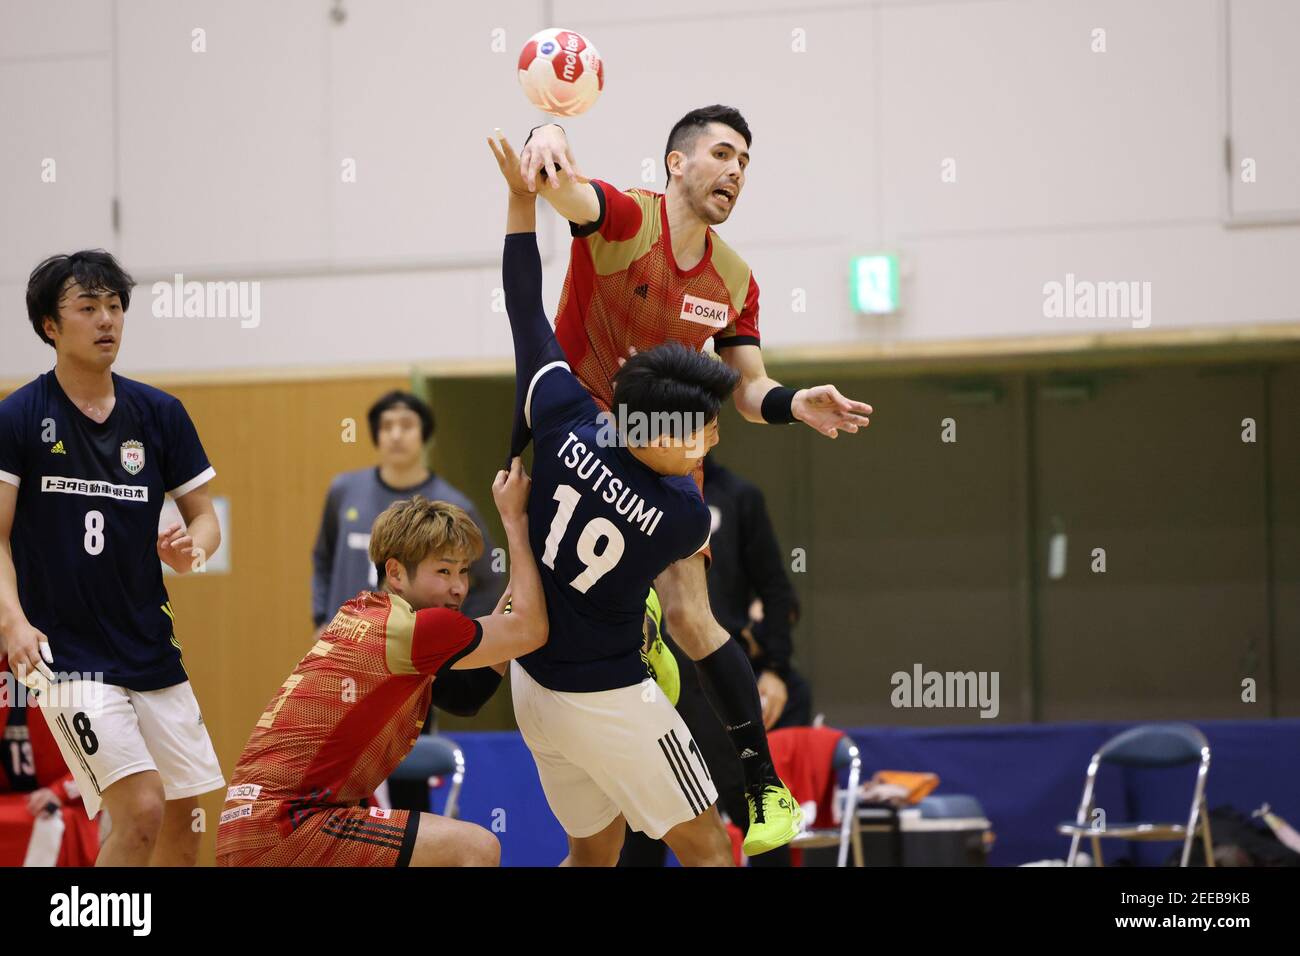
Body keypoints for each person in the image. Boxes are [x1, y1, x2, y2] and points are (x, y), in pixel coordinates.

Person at [517, 106, 871, 851]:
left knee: (693, 614)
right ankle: (616, 658)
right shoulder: (622, 218)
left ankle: (766, 790)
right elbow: (564, 190)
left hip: (663, 443)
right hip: (581, 421)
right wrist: (543, 139)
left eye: (746, 160)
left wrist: (792, 403)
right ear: (676, 163)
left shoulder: (735, 278)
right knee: (545, 593)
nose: (737, 170)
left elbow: (748, 386)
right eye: (722, 153)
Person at [489, 131, 738, 867]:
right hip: (608, 696)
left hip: (533, 690)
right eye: (699, 431)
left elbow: (523, 303)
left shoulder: (563, 410)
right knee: (711, 852)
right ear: (654, 425)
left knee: (591, 859)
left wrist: (517, 196)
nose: (708, 446)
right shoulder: (683, 515)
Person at [0, 250, 225, 866]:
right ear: (50, 324)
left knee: (189, 815)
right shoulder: (20, 416)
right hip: (65, 655)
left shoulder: (159, 414)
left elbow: (205, 520)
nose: (107, 320)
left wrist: (192, 552)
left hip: (150, 645)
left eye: (116, 306)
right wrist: (13, 623)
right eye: (88, 307)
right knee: (141, 809)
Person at [215, 479, 546, 867]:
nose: (458, 588)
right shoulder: (419, 631)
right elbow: (531, 631)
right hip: (291, 825)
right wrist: (515, 521)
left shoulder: (360, 614)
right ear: (396, 573)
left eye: (463, 571)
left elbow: (465, 696)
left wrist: (503, 619)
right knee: (476, 849)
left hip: (246, 824)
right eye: (443, 571)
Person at [620, 456, 813, 867]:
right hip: (646, 682)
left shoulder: (738, 496)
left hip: (713, 680)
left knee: (754, 809)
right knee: (644, 823)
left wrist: (776, 669)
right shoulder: (624, 483)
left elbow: (778, 593)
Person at [312, 390, 502, 629]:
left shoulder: (454, 506)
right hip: (347, 639)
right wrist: (321, 618)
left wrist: (459, 633)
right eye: (387, 426)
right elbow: (323, 558)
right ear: (375, 435)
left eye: (407, 425)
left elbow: (490, 577)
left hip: (415, 647)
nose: (396, 435)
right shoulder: (343, 490)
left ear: (424, 433)